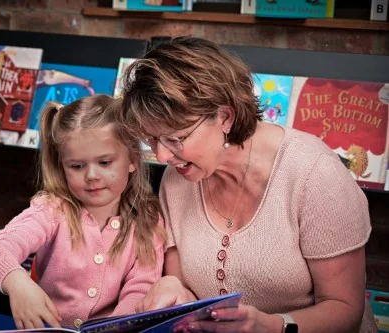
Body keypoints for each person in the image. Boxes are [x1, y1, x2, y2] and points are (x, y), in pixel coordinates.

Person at [118, 36, 378, 333]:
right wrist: (171, 288)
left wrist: (274, 326)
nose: (163, 156)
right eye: (152, 140)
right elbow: (187, 294)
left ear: (224, 117)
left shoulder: (314, 175)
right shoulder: (177, 180)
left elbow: (345, 310)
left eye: (175, 139)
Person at [0, 94, 166, 330]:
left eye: (105, 162)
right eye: (77, 166)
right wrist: (17, 283)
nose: (92, 175)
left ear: (132, 159)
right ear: (62, 166)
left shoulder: (149, 220)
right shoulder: (52, 209)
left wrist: (115, 327)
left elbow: (141, 288)